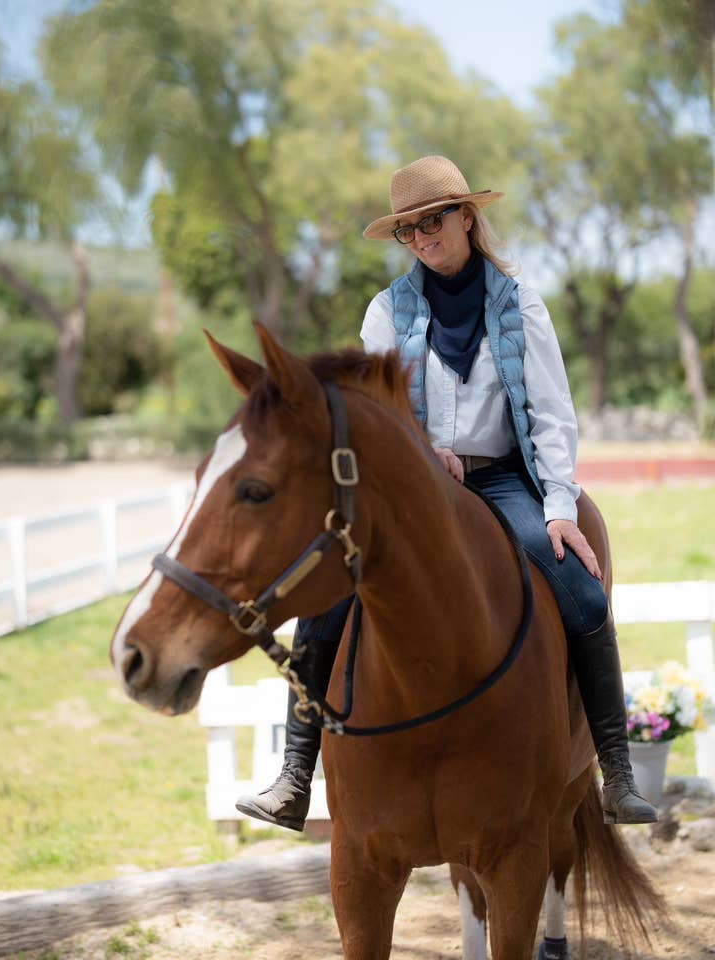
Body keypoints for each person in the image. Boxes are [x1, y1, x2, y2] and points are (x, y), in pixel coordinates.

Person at [235, 155, 657, 831]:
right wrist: (423, 449)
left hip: (502, 476)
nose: (422, 238)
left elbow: (551, 416)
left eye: (432, 221)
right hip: (418, 487)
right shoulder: (386, 312)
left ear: (467, 216)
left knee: (580, 589)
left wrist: (556, 510)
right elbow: (379, 411)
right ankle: (294, 774)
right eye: (408, 231)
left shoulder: (521, 304)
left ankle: (616, 771)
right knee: (330, 594)